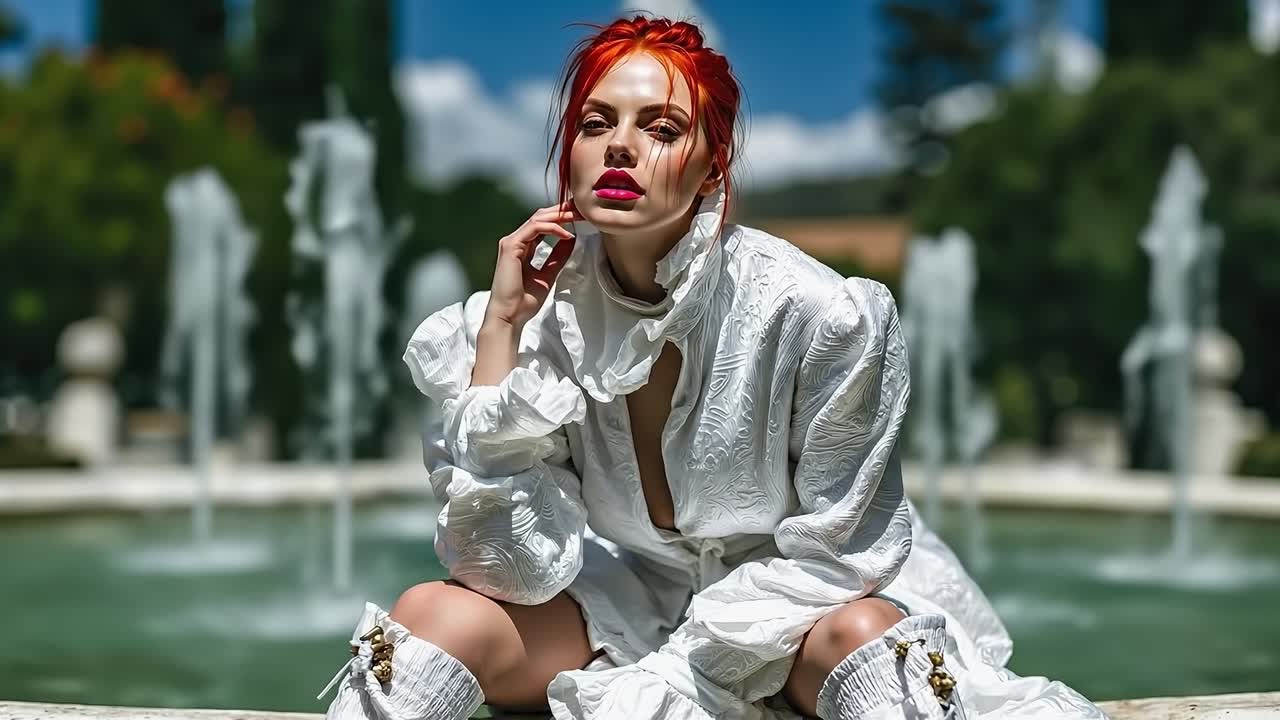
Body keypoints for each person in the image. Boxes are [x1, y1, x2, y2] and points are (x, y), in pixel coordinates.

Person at [320, 15, 1108, 720]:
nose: (621, 145)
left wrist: (675, 677)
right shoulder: (537, 316)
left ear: (712, 166)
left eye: (661, 128)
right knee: (432, 615)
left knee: (869, 647)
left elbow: (839, 559)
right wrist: (500, 330)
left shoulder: (820, 314)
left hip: (801, 613)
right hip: (637, 603)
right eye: (597, 123)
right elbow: (502, 570)